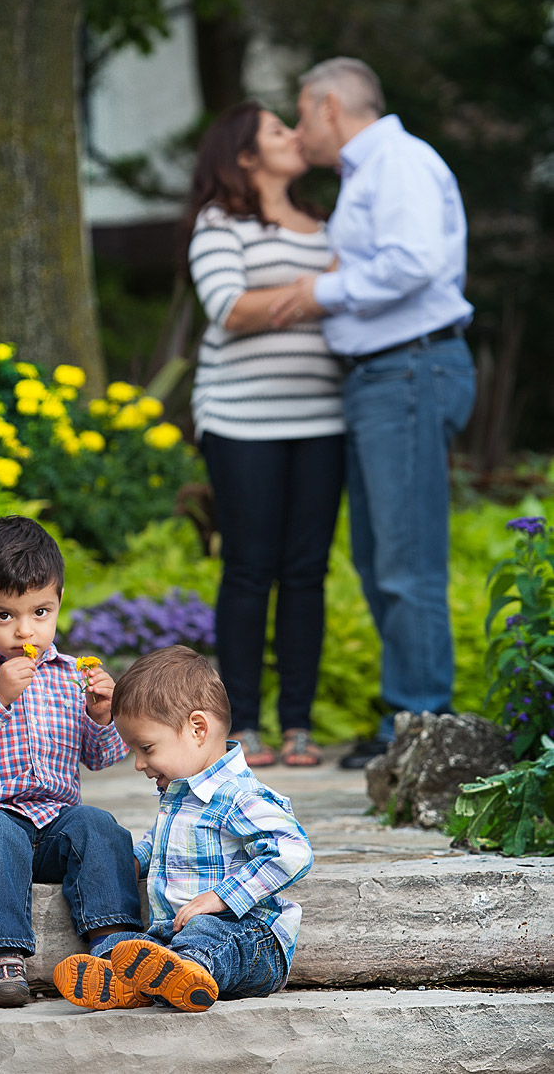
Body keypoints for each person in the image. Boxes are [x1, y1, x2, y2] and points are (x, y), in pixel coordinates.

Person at [272, 57, 477, 769]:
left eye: (301, 115)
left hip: (407, 369)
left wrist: (319, 293)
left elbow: (413, 261)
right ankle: (405, 714)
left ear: (330, 106)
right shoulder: (372, 172)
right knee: (377, 556)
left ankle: (418, 724)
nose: (300, 132)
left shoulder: (396, 162)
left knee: (405, 559)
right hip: (382, 375)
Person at [0, 515, 144, 1008]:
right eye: (4, 616)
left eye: (41, 612)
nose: (25, 629)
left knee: (98, 825)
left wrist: (104, 716)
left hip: (52, 828)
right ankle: (0, 957)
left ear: (59, 601)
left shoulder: (69, 675)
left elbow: (98, 756)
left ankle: (116, 943)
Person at [186, 100, 345, 768]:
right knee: (249, 570)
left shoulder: (327, 225)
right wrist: (318, 290)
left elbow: (355, 298)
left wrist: (295, 295)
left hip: (323, 419)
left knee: (305, 572)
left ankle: (298, 727)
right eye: (279, 130)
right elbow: (229, 308)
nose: (295, 135)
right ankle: (243, 723)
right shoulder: (219, 223)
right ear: (245, 155)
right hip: (239, 420)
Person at [52, 646, 313, 1013]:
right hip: (176, 936)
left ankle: (183, 974)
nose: (139, 763)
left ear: (197, 728)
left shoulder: (238, 794)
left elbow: (293, 850)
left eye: (146, 748)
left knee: (206, 934)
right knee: (133, 943)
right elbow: (158, 841)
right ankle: (129, 979)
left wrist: (222, 897)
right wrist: (131, 862)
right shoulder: (180, 792)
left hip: (250, 938)